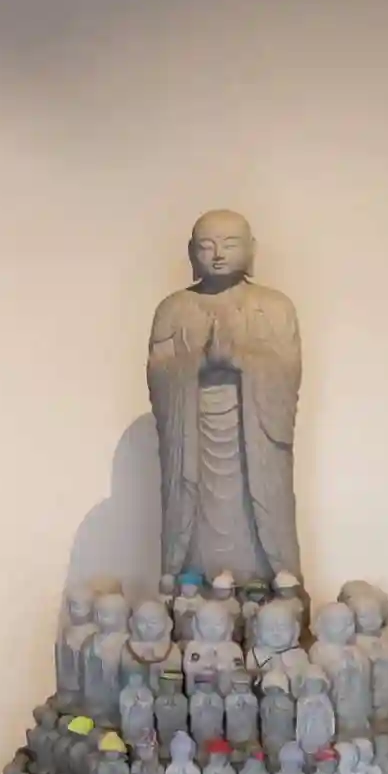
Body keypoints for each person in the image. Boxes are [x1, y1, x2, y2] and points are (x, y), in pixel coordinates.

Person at [148, 210, 302, 586]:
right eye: (206, 245)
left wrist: (237, 359)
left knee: (261, 503)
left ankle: (269, 583)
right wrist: (200, 363)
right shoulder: (173, 309)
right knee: (194, 512)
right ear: (191, 252)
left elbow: (288, 368)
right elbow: (157, 372)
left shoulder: (275, 306)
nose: (217, 254)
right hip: (193, 437)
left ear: (251, 249)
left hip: (255, 435)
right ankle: (192, 583)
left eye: (230, 244)